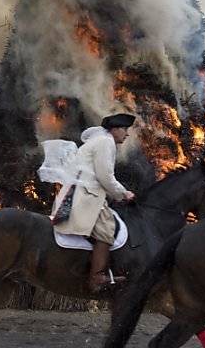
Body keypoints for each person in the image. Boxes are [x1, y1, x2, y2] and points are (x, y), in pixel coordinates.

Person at [51, 113, 137, 292]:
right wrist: (124, 193)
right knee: (106, 230)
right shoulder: (106, 142)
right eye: (125, 129)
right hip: (86, 195)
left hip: (78, 191)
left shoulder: (97, 140)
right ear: (114, 129)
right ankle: (97, 278)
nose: (127, 134)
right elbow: (105, 176)